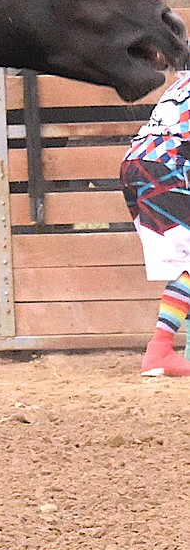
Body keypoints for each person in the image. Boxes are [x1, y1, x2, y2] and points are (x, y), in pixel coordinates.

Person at [121, 70, 190, 378]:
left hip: (136, 162)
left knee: (183, 266)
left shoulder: (184, 80)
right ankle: (160, 350)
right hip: (167, 165)